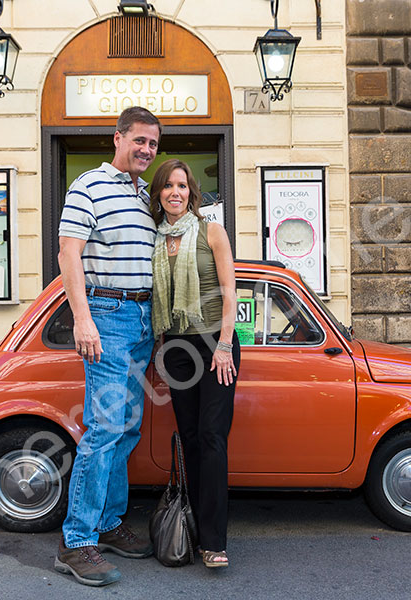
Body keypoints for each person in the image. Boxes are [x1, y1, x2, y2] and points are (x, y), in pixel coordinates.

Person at [54, 106, 161, 587]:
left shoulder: (143, 195)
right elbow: (68, 253)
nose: (146, 150)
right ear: (117, 138)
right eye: (139, 140)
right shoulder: (87, 186)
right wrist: (83, 319)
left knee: (128, 428)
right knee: (102, 430)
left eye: (153, 144)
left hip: (142, 320)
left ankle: (111, 524)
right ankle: (76, 541)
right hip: (108, 317)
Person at [149, 159, 239, 568]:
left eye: (182, 186)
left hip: (215, 346)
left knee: (212, 438)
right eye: (168, 186)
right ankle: (196, 531)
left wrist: (223, 345)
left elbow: (229, 292)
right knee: (188, 438)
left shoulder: (211, 231)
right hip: (178, 349)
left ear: (192, 192)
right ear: (159, 193)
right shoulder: (154, 239)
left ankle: (215, 541)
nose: (175, 192)